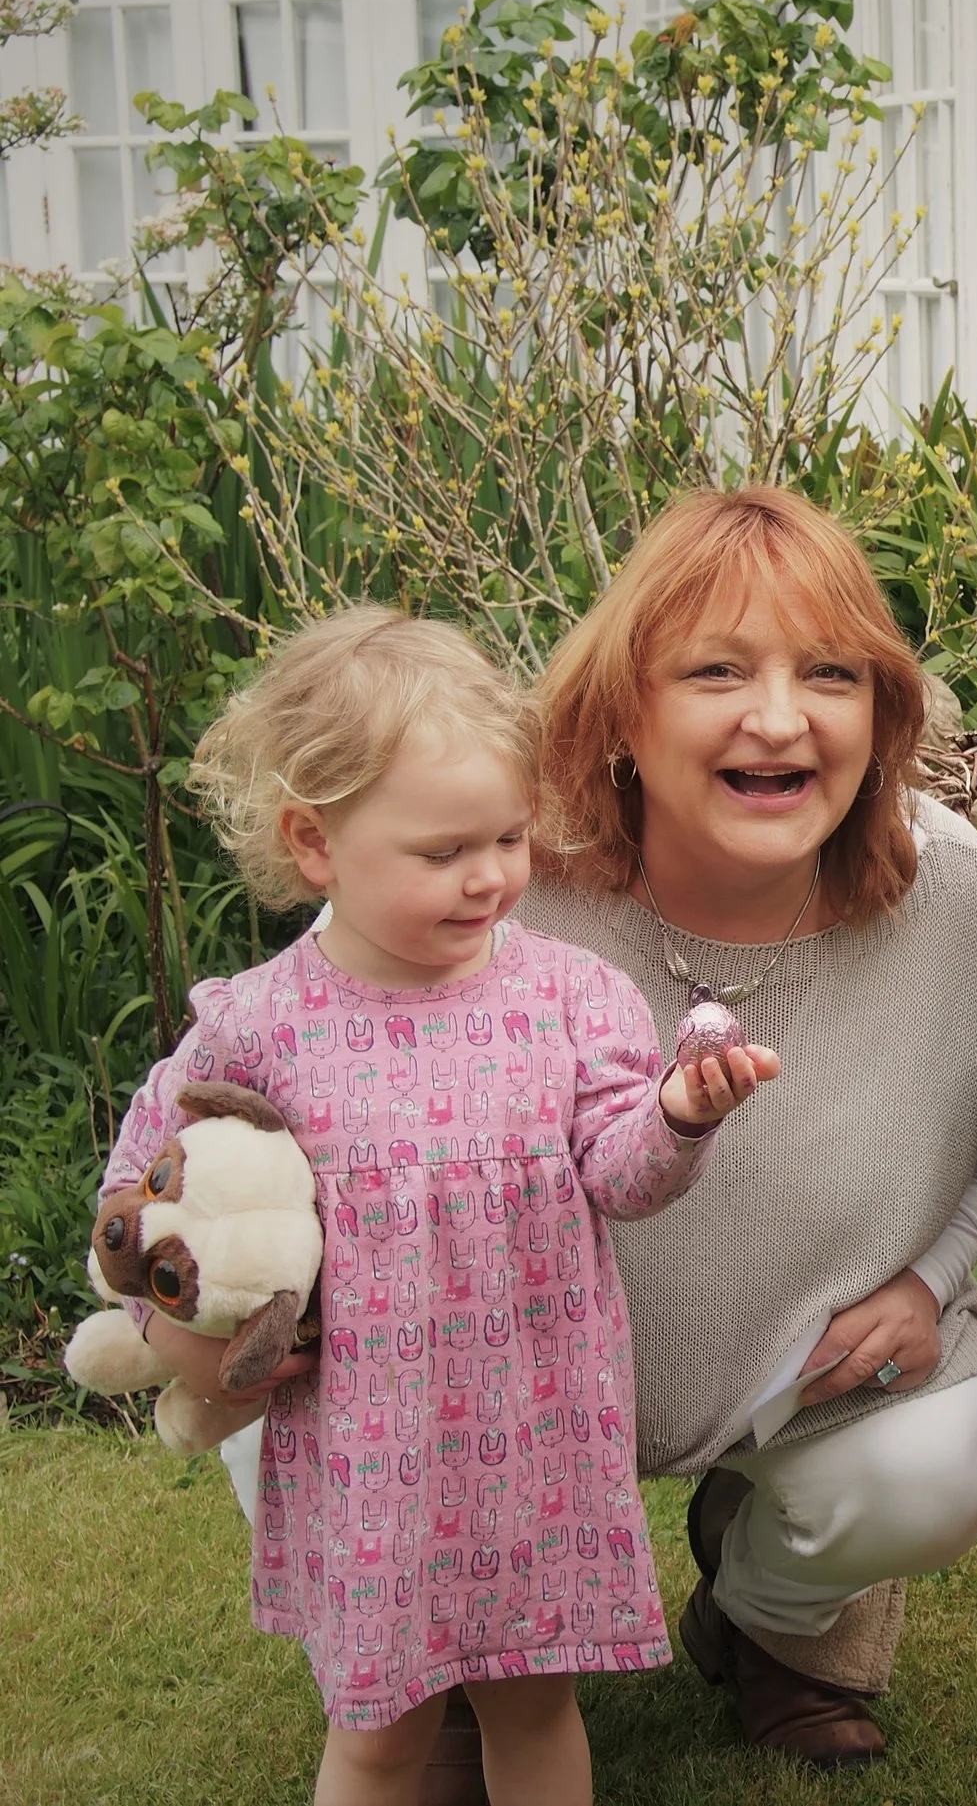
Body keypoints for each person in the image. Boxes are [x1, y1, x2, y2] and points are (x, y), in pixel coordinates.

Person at [108, 606, 770, 1806]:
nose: (490, 876)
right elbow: (145, 1185)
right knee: (378, 1734)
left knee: (536, 1707)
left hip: (537, 1439)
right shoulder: (261, 1025)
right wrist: (170, 1320)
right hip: (371, 1454)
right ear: (315, 844)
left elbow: (618, 1180)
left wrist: (678, 1115)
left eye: (509, 837)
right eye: (442, 851)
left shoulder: (570, 998)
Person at [520, 485, 977, 1770]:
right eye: (716, 670)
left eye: (830, 673)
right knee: (308, 1372)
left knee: (934, 1461)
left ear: (880, 716)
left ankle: (767, 1624)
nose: (779, 719)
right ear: (623, 711)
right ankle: (444, 1678)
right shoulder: (504, 890)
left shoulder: (953, 901)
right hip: (515, 1382)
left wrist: (930, 1282)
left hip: (814, 1383)